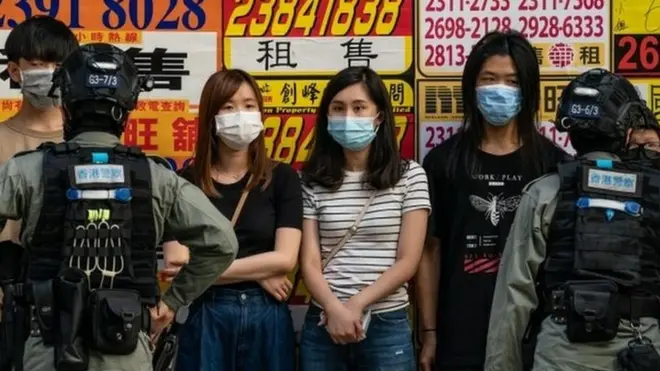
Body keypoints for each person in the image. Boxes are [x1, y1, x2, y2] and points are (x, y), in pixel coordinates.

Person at [0, 43, 239, 371]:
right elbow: (222, 241)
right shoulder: (156, 178)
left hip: (48, 347)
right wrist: (172, 302)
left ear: (65, 104)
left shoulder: (26, 170)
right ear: (128, 108)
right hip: (126, 348)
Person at [484, 68, 660, 371]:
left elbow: (513, 299)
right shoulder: (654, 193)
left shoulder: (544, 192)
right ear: (627, 129)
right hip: (641, 351)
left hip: (562, 354)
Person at [415, 30, 570, 371]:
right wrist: (429, 332)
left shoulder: (554, 164)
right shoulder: (443, 161)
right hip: (460, 329)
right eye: (489, 79)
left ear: (528, 89)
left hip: (533, 330)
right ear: (472, 86)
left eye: (512, 81)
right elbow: (429, 250)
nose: (499, 89)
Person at [162, 69, 302, 371]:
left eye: (249, 105)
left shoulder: (282, 178)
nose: (241, 114)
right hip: (206, 313)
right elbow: (176, 263)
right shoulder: (185, 182)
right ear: (211, 116)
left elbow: (286, 259)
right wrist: (259, 273)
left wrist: (205, 268)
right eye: (229, 107)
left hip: (268, 316)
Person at [298, 66, 430, 371]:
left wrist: (356, 305)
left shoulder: (410, 176)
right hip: (323, 322)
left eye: (359, 108)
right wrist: (334, 308)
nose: (348, 117)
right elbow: (309, 263)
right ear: (327, 116)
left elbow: (408, 261)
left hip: (387, 325)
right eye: (338, 108)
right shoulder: (310, 180)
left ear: (379, 116)